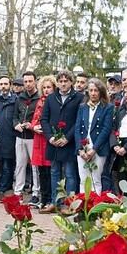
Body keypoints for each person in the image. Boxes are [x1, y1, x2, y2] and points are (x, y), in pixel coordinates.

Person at [40, 70, 85, 212]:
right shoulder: (51, 98)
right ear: (57, 83)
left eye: (66, 81)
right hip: (53, 142)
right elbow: (44, 119)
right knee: (54, 172)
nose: (63, 84)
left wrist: (67, 137)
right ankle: (55, 202)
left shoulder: (79, 98)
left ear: (71, 82)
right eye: (60, 81)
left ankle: (70, 204)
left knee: (70, 174)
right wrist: (50, 137)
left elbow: (80, 121)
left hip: (69, 142)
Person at [74, 78, 114, 193]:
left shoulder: (108, 107)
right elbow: (77, 128)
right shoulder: (83, 107)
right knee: (83, 179)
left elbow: (106, 129)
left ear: (101, 91)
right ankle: (83, 207)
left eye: (96, 90)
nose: (93, 93)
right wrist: (80, 149)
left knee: (95, 179)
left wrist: (94, 149)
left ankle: (95, 207)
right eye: (90, 90)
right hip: (83, 146)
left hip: (98, 147)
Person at [12, 71, 41, 204]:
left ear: (35, 81)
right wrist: (16, 124)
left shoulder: (39, 98)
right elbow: (15, 116)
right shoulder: (20, 98)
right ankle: (18, 192)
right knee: (20, 165)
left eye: (30, 81)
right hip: (20, 136)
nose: (28, 84)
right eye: (26, 82)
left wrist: (32, 125)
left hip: (33, 136)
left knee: (35, 166)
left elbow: (41, 117)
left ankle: (36, 192)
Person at [33, 76, 55, 212]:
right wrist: (34, 126)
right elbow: (35, 118)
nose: (46, 90)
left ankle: (50, 199)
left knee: (50, 171)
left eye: (49, 87)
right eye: (44, 87)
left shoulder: (55, 102)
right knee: (41, 171)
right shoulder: (40, 101)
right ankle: (43, 198)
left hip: (49, 139)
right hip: (39, 139)